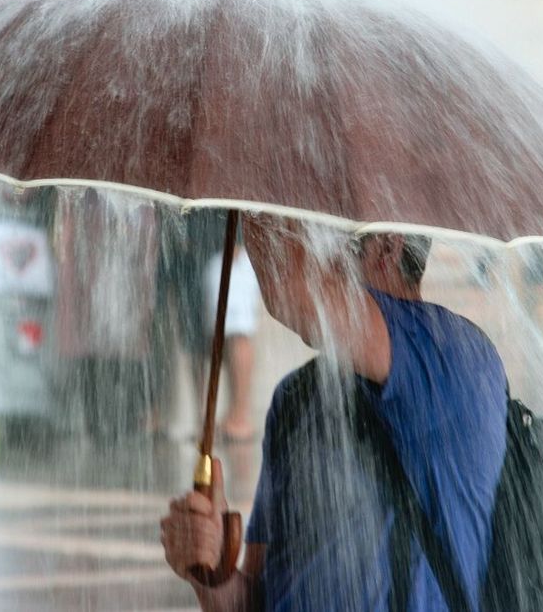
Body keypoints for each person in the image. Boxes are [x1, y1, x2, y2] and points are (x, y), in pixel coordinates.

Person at [161, 216, 510, 611]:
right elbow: (256, 601)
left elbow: (289, 288)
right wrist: (214, 574)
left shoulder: (455, 355)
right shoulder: (296, 397)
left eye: (322, 234)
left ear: (386, 246)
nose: (310, 249)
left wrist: (248, 192)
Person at [201, 241, 262, 442]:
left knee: (237, 331)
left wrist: (236, 239)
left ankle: (240, 418)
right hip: (211, 249)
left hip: (230, 248)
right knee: (227, 334)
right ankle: (234, 416)